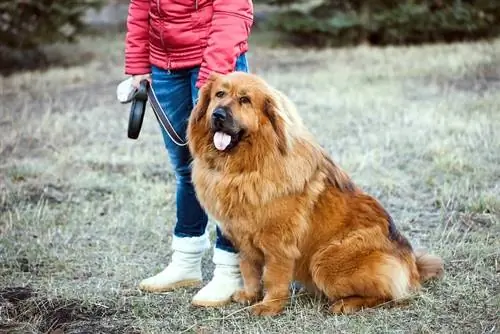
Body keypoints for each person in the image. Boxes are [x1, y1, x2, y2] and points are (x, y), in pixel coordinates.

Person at [122, 0, 254, 307]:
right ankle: (186, 261)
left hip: (214, 65)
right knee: (185, 168)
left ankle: (230, 270)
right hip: (164, 68)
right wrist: (139, 66)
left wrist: (212, 82)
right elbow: (141, 7)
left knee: (228, 171)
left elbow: (232, 11)